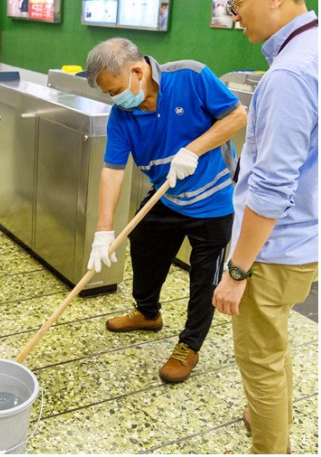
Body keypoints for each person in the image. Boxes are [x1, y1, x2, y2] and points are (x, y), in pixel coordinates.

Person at [86, 38, 247, 383]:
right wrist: (103, 231)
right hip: (167, 196)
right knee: (143, 243)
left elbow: (236, 115)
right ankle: (147, 313)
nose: (115, 99)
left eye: (115, 90)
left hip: (213, 200)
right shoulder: (122, 116)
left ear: (137, 70)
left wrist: (193, 149)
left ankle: (189, 344)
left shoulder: (191, 76)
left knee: (205, 278)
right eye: (109, 95)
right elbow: (113, 171)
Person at [212, 0, 317, 454]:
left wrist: (237, 271)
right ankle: (265, 419)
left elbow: (273, 187)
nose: (235, 16)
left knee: (260, 360)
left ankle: (271, 447)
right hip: (305, 242)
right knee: (273, 350)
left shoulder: (291, 75)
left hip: (273, 253)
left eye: (237, 3)